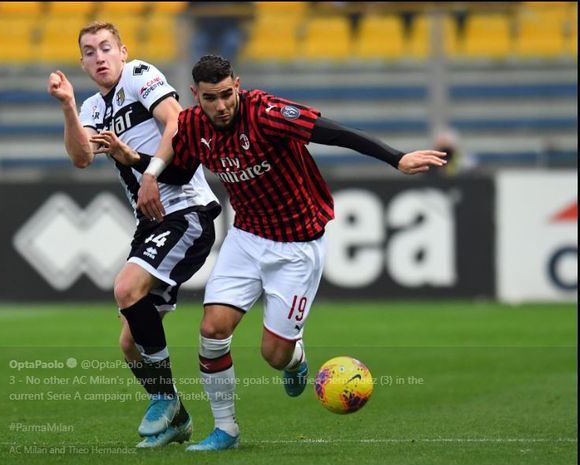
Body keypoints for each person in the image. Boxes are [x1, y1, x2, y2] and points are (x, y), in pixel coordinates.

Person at [111, 55, 447, 451]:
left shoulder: (267, 113)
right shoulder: (192, 126)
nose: (221, 106)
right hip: (246, 237)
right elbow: (179, 174)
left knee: (273, 354)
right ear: (194, 96)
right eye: (210, 98)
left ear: (238, 85)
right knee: (212, 332)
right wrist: (135, 160)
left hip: (298, 245)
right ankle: (226, 431)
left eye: (226, 95)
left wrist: (396, 158)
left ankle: (294, 358)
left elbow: (334, 133)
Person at [47, 22, 221, 448]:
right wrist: (69, 105)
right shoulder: (90, 108)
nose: (99, 57)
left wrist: (150, 172)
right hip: (152, 221)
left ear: (123, 52)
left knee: (125, 288)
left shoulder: (140, 75)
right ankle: (177, 416)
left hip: (185, 209)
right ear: (83, 63)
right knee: (130, 345)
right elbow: (81, 157)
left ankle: (163, 397)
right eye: (89, 52)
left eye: (106, 48)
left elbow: (178, 124)